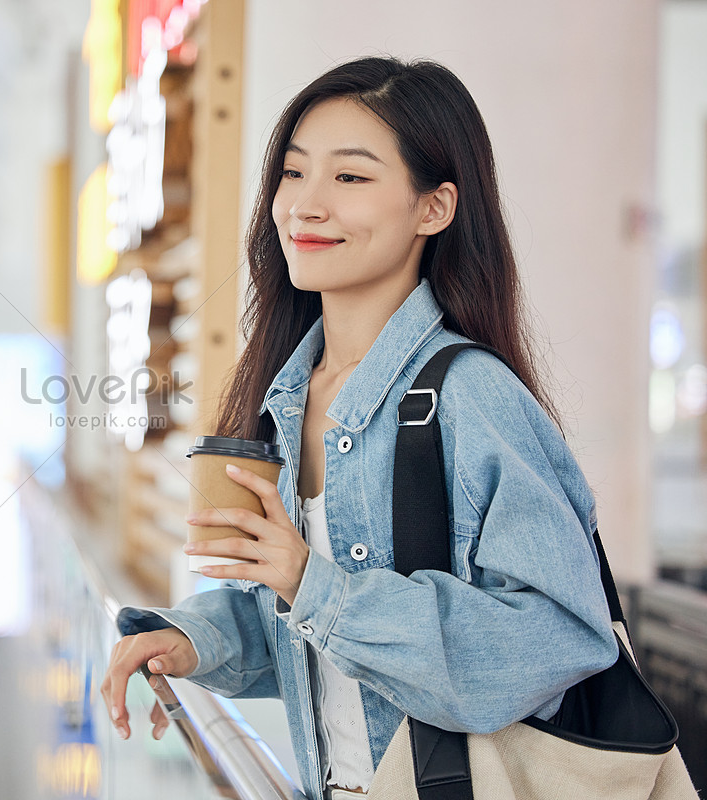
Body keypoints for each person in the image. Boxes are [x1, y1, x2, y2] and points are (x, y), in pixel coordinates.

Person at [98, 55, 618, 800]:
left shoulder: (470, 395)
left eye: (350, 178)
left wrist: (317, 585)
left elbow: (558, 640)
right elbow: (310, 637)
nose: (305, 206)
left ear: (433, 209)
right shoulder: (285, 398)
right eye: (294, 173)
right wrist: (193, 639)